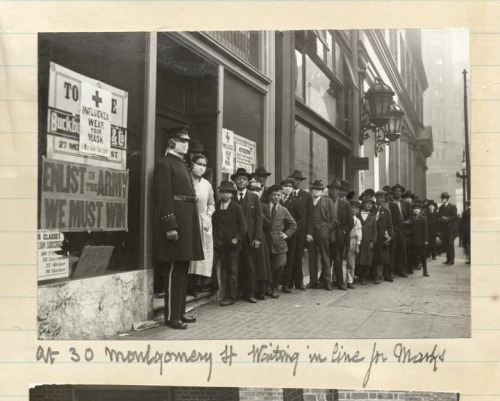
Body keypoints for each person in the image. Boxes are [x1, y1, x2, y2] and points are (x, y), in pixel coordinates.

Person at [154, 125, 203, 330]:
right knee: (174, 269)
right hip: (177, 223)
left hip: (187, 221)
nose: (186, 144)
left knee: (183, 269)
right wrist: (170, 224)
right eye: (182, 140)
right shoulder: (165, 163)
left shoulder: (181, 164)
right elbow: (164, 196)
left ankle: (180, 312)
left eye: (187, 141)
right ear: (171, 142)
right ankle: (172, 316)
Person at [212, 181, 247, 306]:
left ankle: (231, 296)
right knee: (214, 267)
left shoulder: (236, 207)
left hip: (232, 245)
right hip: (219, 244)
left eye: (227, 192)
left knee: (232, 271)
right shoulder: (216, 206)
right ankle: (215, 290)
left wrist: (237, 238)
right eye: (222, 191)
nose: (223, 194)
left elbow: (243, 226)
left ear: (232, 194)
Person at [231, 167, 263, 303]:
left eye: (244, 179)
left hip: (249, 237)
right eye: (238, 179)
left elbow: (258, 218)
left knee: (249, 265)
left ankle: (249, 293)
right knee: (234, 265)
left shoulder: (253, 197)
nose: (241, 181)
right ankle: (234, 294)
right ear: (235, 181)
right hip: (234, 237)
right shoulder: (231, 196)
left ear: (248, 181)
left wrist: (257, 237)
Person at [188, 154, 215, 297]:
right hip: (189, 220)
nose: (202, 167)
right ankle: (188, 283)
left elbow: (212, 203)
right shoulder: (186, 181)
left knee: (202, 253)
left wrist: (209, 214)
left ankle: (197, 283)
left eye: (204, 165)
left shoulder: (206, 184)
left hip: (203, 221)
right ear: (192, 164)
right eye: (199, 164)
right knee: (189, 252)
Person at [263, 185, 297, 298]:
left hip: (278, 242)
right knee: (267, 265)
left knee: (278, 266)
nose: (276, 197)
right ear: (269, 196)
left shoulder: (283, 210)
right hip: (266, 241)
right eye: (274, 195)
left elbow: (293, 225)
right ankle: (267, 287)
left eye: (278, 195)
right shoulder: (263, 207)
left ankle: (275, 288)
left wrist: (286, 234)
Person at [287, 170, 314, 291]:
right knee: (288, 257)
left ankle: (299, 282)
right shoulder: (286, 193)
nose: (297, 182)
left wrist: (309, 232)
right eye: (295, 180)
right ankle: (287, 283)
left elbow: (310, 215)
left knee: (298, 257)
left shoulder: (306, 195)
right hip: (287, 232)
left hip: (300, 232)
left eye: (299, 180)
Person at [308, 179, 336, 290]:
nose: (317, 191)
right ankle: (313, 281)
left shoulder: (328, 201)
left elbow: (334, 219)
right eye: (315, 189)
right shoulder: (308, 201)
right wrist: (308, 232)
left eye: (319, 189)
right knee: (312, 257)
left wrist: (327, 229)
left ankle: (327, 282)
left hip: (323, 231)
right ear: (311, 190)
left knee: (325, 257)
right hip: (311, 233)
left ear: (322, 190)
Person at [327, 178, 354, 290]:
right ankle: (325, 281)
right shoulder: (325, 201)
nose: (334, 192)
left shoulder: (345, 204)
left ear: (339, 191)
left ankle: (340, 282)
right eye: (332, 189)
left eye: (336, 189)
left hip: (339, 234)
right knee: (326, 258)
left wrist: (344, 231)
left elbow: (350, 221)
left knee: (338, 259)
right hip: (327, 233)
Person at [248, 179, 272, 299]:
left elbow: (268, 224)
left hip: (260, 236)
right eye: (252, 189)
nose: (255, 192)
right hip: (249, 235)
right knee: (251, 264)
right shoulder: (247, 202)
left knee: (261, 265)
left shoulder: (264, 206)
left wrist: (260, 215)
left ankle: (262, 290)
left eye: (257, 190)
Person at [280, 177, 303, 293]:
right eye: (285, 186)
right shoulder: (277, 199)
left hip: (291, 235)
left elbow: (300, 219)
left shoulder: (295, 201)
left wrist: (291, 231)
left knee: (290, 259)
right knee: (278, 259)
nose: (288, 188)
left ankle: (286, 284)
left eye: (290, 186)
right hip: (278, 233)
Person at [389, 183, 411, 277]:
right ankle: (391, 271)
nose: (397, 192)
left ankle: (402, 270)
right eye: (396, 191)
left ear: (402, 193)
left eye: (399, 191)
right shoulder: (390, 203)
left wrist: (408, 222)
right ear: (393, 192)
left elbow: (410, 217)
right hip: (393, 228)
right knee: (392, 250)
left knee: (402, 250)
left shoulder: (405, 203)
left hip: (402, 228)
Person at [356, 195, 378, 285]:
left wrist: (373, 241)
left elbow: (375, 231)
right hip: (358, 241)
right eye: (367, 203)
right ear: (363, 204)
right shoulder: (357, 215)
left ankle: (364, 277)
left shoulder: (372, 217)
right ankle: (357, 276)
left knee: (366, 260)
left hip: (367, 241)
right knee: (357, 259)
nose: (368, 206)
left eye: (370, 204)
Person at [373, 190, 394, 283]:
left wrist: (390, 236)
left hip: (382, 236)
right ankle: (372, 275)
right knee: (373, 256)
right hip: (372, 236)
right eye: (380, 197)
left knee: (382, 257)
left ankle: (380, 275)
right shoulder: (371, 209)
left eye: (383, 198)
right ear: (376, 198)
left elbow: (390, 225)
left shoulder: (386, 211)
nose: (382, 199)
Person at [409, 202, 429, 277]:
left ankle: (425, 270)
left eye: (417, 209)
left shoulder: (423, 218)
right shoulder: (411, 218)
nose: (416, 210)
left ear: (420, 210)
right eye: (414, 209)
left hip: (421, 240)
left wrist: (426, 240)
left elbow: (425, 230)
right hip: (412, 240)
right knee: (411, 254)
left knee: (423, 256)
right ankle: (410, 268)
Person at [346, 199, 363, 289]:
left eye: (356, 208)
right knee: (341, 261)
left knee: (351, 262)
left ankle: (350, 281)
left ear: (358, 211)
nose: (353, 210)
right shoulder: (345, 218)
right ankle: (338, 280)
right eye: (352, 208)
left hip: (353, 241)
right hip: (344, 241)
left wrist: (357, 245)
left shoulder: (357, 221)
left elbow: (359, 234)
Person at [438, 192, 458, 265]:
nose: (442, 200)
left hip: (451, 229)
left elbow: (455, 217)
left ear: (447, 199)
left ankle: (451, 260)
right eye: (442, 198)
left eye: (444, 198)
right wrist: (440, 219)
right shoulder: (441, 208)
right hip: (444, 229)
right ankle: (448, 259)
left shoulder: (452, 206)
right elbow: (439, 216)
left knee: (450, 244)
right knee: (446, 244)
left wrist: (447, 218)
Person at [461, 200, 471, 264]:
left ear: (467, 205)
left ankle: (469, 259)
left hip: (467, 231)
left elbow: (462, 223)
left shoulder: (465, 212)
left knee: (467, 244)